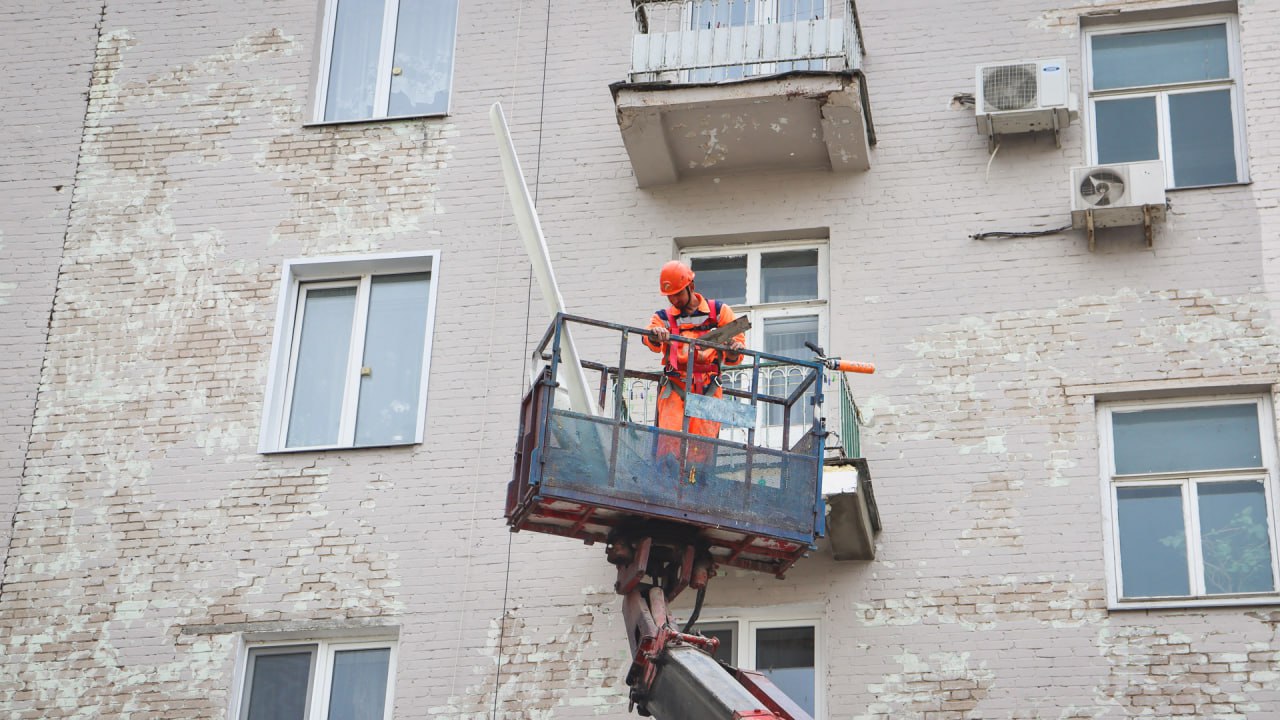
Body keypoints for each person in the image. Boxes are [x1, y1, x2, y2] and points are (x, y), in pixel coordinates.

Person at [642, 261, 746, 467]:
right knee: (669, 443)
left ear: (691, 287)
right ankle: (668, 482)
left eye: (678, 294)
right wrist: (656, 336)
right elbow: (649, 338)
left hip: (708, 387)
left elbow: (736, 355)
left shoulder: (719, 312)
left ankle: (696, 484)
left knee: (702, 448)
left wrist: (733, 349)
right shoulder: (663, 318)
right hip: (675, 386)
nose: (673, 299)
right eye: (669, 296)